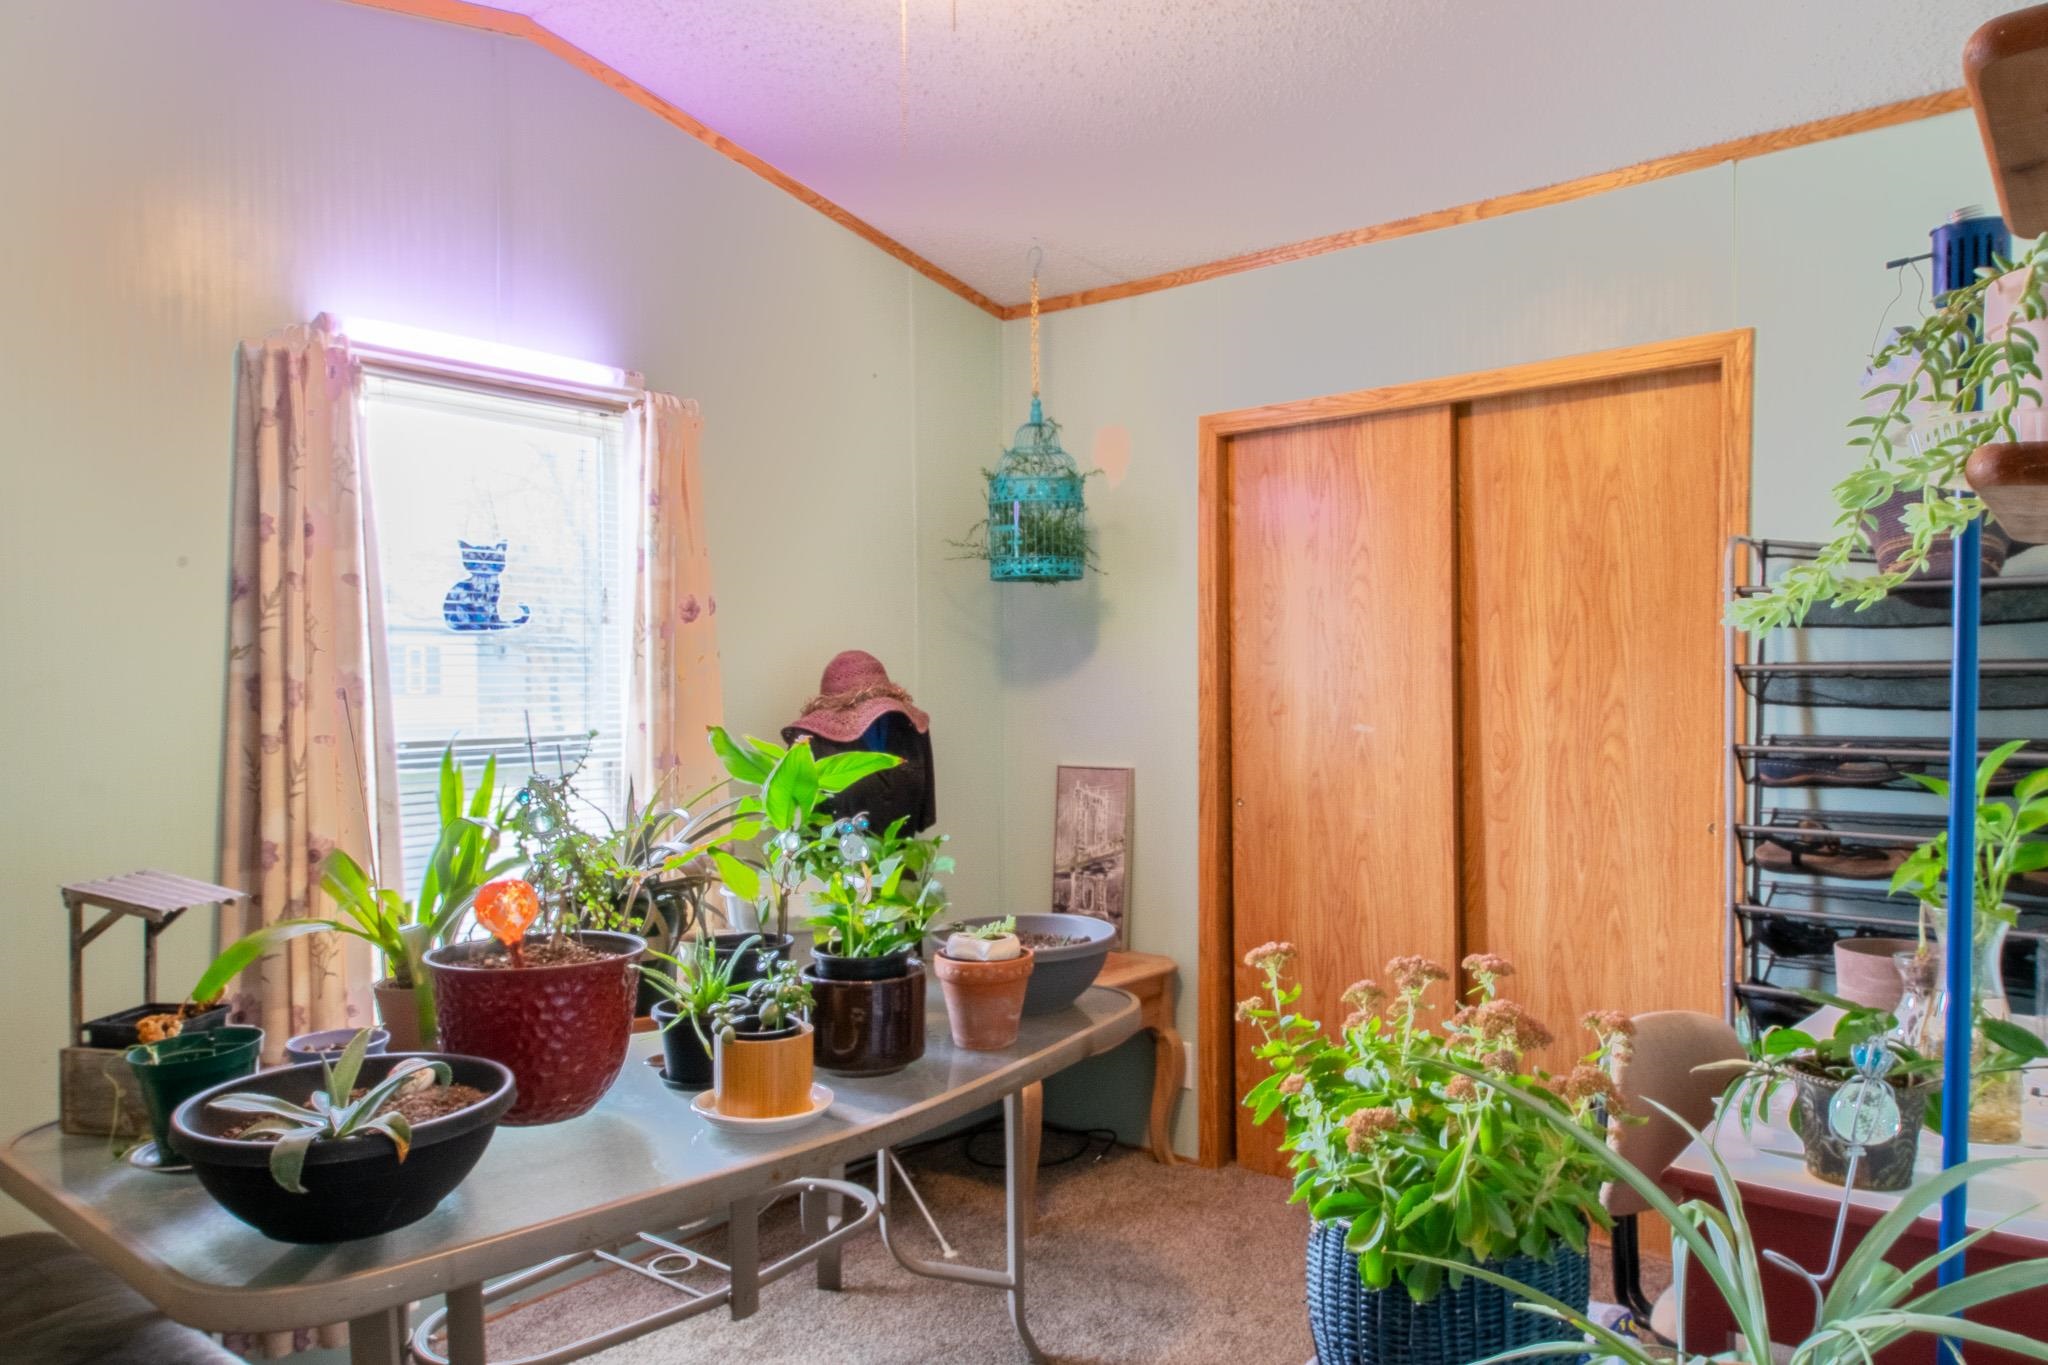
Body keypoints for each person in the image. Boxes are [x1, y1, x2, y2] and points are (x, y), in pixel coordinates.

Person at [782, 650, 936, 834]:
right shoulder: (808, 742)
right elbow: (794, 822)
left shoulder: (913, 729)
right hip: (832, 851)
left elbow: (924, 811)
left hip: (904, 851)